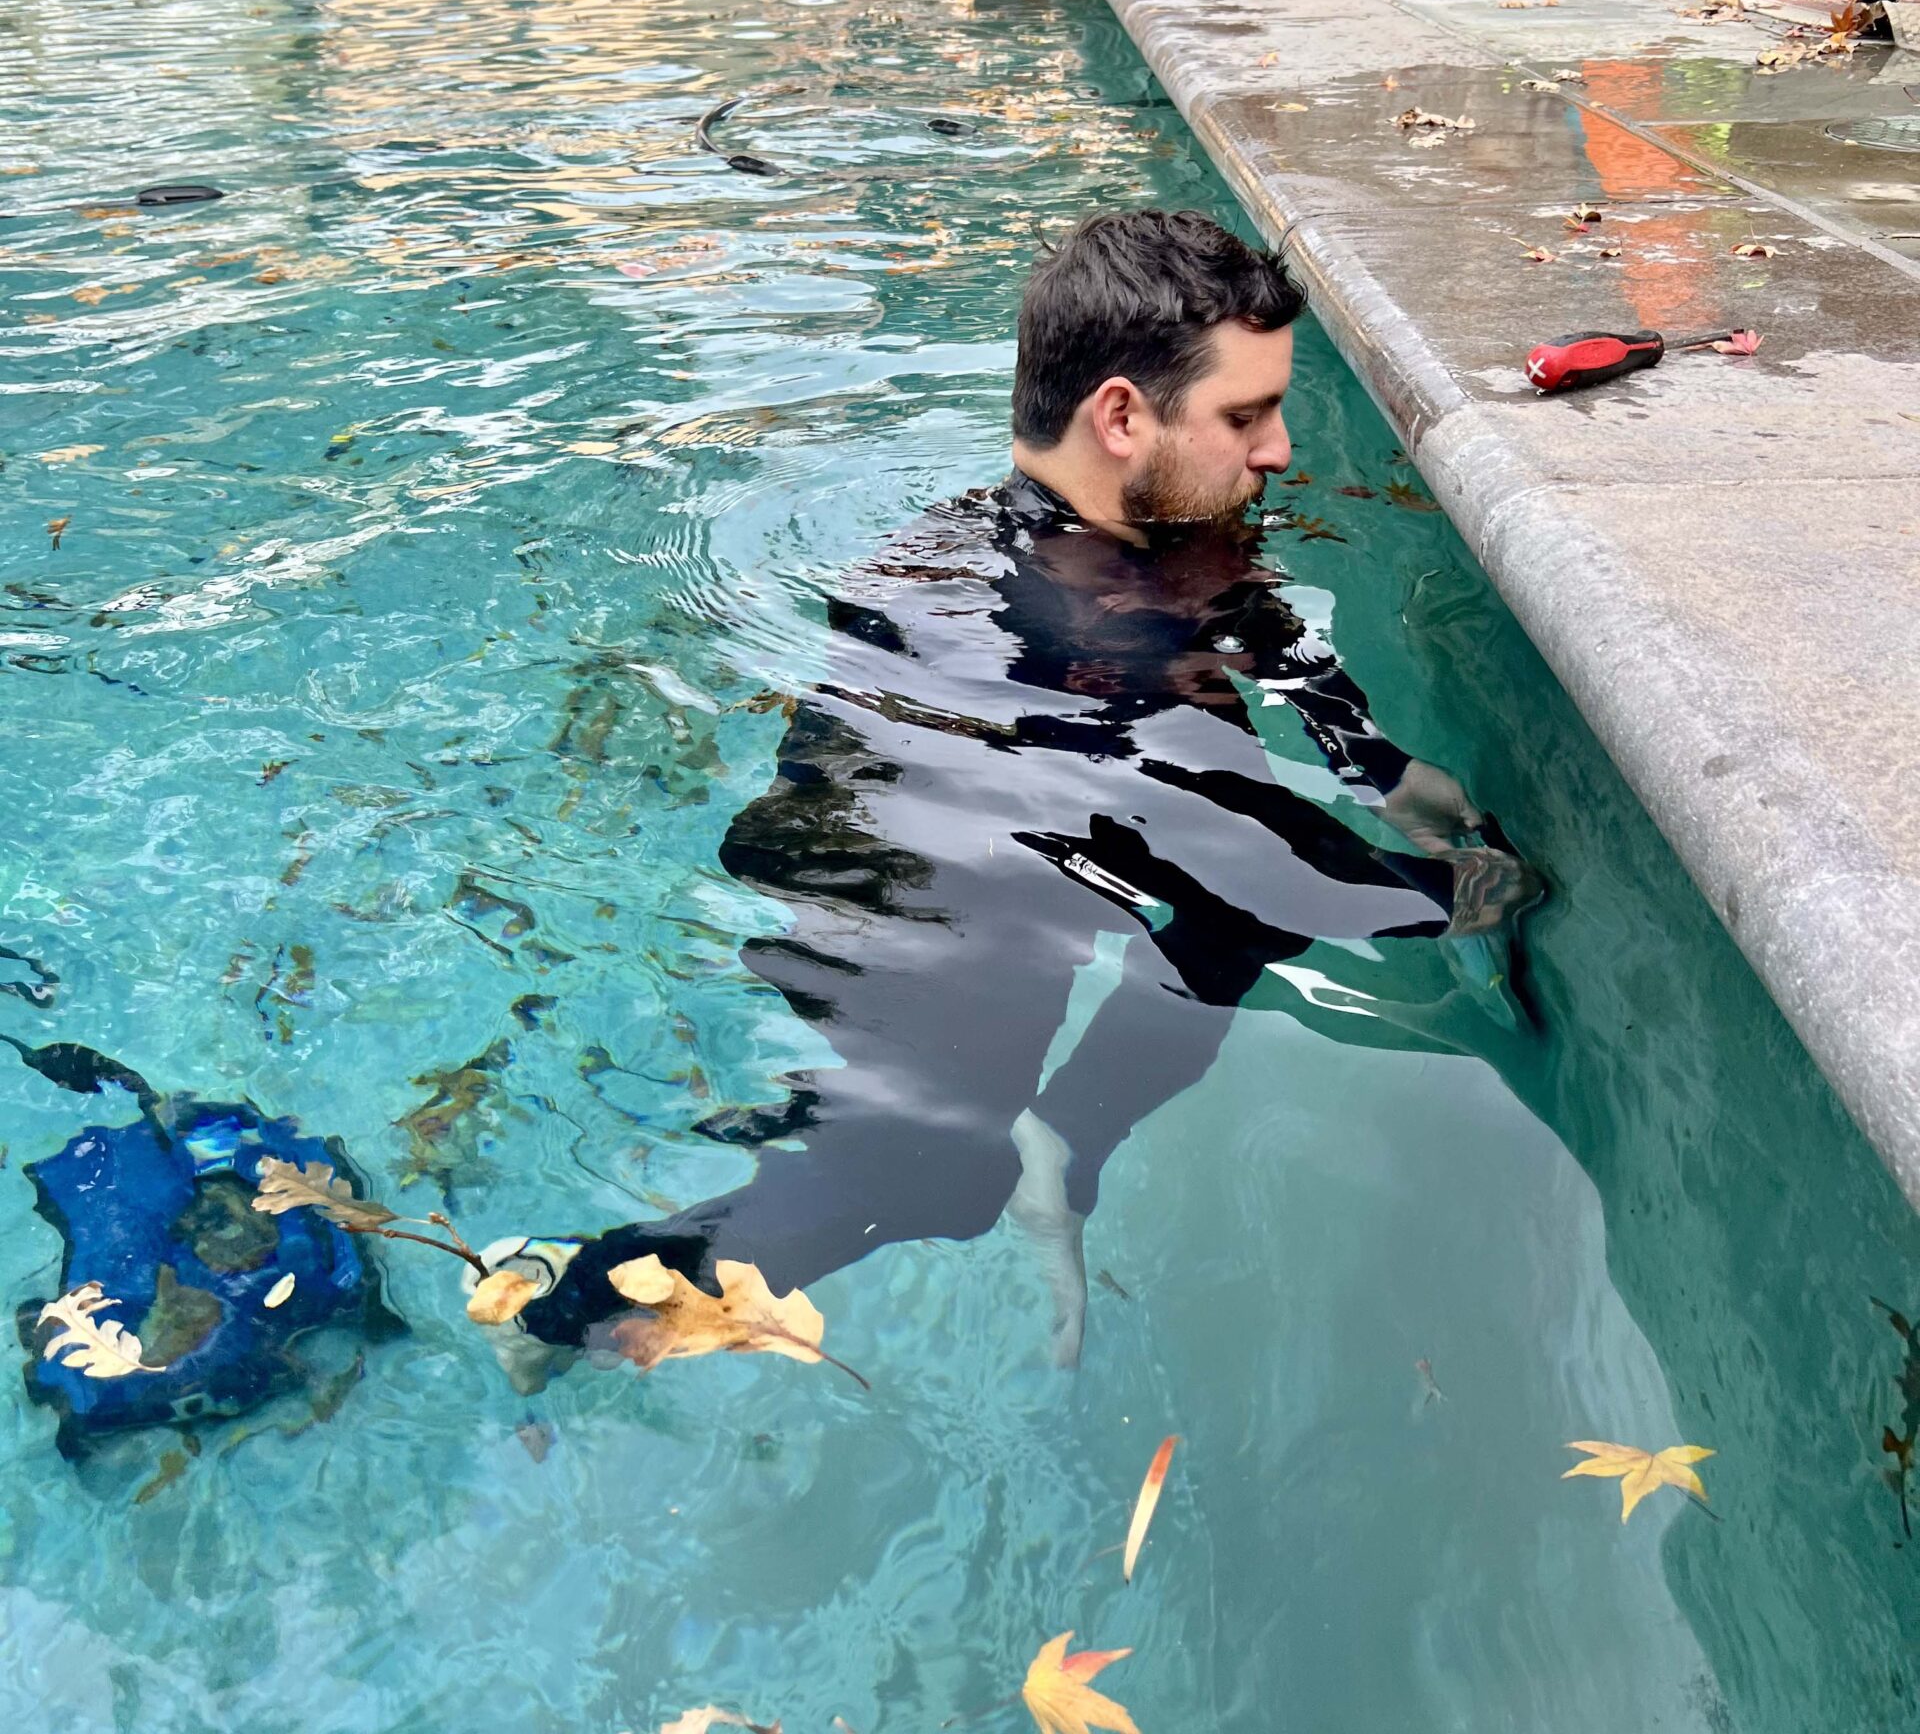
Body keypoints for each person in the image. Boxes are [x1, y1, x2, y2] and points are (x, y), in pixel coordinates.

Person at [506, 210, 1540, 1367]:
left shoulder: (1087, 529)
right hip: (923, 936)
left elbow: (1241, 613)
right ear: (1119, 416)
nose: (1280, 449)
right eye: (1245, 416)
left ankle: (1067, 1133)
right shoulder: (1064, 643)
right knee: (934, 1176)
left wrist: (1374, 763)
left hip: (984, 852)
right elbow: (1281, 873)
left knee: (1223, 902)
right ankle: (553, 1316)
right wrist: (1483, 891)